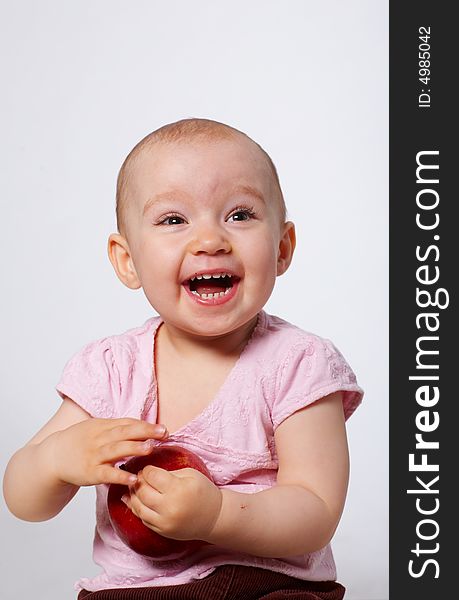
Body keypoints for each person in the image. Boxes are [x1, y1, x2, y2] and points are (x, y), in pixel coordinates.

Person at [3, 118, 363, 599]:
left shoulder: (298, 363)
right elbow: (22, 499)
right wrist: (55, 460)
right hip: (136, 591)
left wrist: (217, 515)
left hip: (266, 584)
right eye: (174, 220)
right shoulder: (112, 371)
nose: (211, 239)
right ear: (127, 260)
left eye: (240, 215)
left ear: (282, 248)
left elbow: (316, 512)